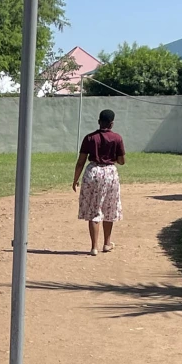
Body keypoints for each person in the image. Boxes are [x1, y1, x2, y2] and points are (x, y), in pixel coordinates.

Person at [73, 109, 126, 256]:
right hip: (110, 173)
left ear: (99, 121)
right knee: (109, 208)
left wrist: (75, 180)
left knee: (94, 209)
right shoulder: (117, 138)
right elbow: (122, 161)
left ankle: (94, 247)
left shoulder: (90, 138)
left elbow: (80, 162)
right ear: (112, 123)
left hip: (93, 172)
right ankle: (107, 243)